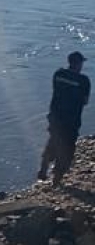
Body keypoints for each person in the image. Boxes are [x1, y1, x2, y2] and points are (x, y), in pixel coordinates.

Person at [38, 51, 91, 187]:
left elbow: (56, 90)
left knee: (53, 142)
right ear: (78, 64)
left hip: (55, 117)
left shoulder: (58, 74)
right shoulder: (84, 80)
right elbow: (85, 101)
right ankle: (56, 180)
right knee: (67, 149)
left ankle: (43, 169)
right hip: (71, 121)